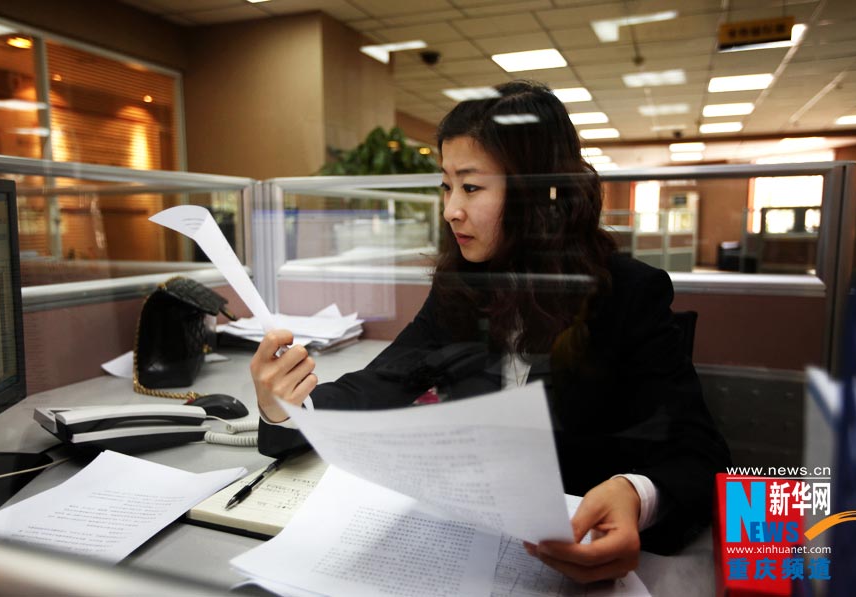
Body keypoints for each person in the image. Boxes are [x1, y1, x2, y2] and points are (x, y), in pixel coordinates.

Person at [251, 80, 730, 583]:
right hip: (468, 547)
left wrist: (635, 495)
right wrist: (287, 405)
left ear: (539, 193)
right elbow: (378, 384)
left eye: (471, 187)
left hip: (571, 557)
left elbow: (701, 456)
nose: (451, 208)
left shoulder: (628, 293)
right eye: (446, 185)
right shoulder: (462, 285)